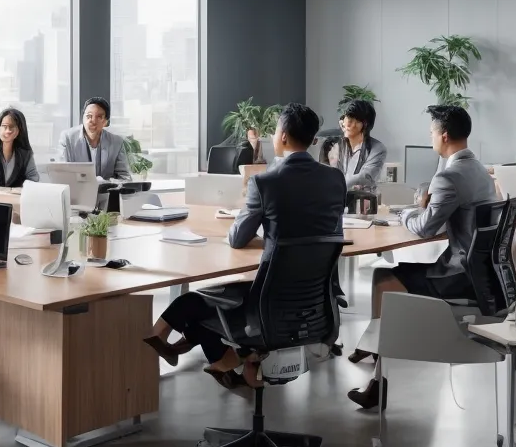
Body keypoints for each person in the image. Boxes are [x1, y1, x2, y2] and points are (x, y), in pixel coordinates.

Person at [142, 104, 344, 391]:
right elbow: (325, 229)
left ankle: (181, 343)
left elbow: (237, 238)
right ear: (313, 140)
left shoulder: (266, 182)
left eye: (275, 131)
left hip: (268, 307)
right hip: (315, 304)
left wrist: (262, 232)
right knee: (207, 302)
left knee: (197, 302)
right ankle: (217, 356)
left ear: (283, 136)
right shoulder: (335, 178)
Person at [347, 105, 496, 409]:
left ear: (443, 135)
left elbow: (427, 228)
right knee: (394, 273)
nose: (430, 138)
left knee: (382, 278)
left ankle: (379, 372)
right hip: (481, 272)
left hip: (459, 276)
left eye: (431, 133)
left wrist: (407, 214)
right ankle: (375, 356)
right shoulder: (479, 170)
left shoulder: (451, 176)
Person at [55, 97, 132, 181]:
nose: (93, 121)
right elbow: (61, 174)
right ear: (83, 118)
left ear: (106, 122)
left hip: (105, 192)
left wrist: (105, 183)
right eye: (88, 116)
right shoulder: (68, 138)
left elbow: (125, 178)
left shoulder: (116, 142)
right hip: (76, 192)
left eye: (99, 117)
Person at [331, 99, 388, 198]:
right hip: (335, 200)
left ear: (366, 126)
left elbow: (365, 177)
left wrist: (336, 187)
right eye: (349, 118)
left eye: (357, 121)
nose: (351, 125)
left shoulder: (377, 149)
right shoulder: (336, 145)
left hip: (362, 203)